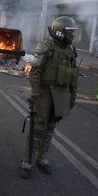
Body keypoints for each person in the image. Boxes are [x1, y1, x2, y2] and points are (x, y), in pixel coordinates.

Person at [19, 16, 78, 179]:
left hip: (62, 92)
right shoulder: (46, 46)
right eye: (70, 32)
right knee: (38, 127)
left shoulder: (70, 50)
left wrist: (73, 95)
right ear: (61, 32)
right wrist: (35, 93)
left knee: (51, 127)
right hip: (45, 92)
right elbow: (35, 73)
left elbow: (73, 75)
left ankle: (42, 158)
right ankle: (27, 160)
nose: (73, 35)